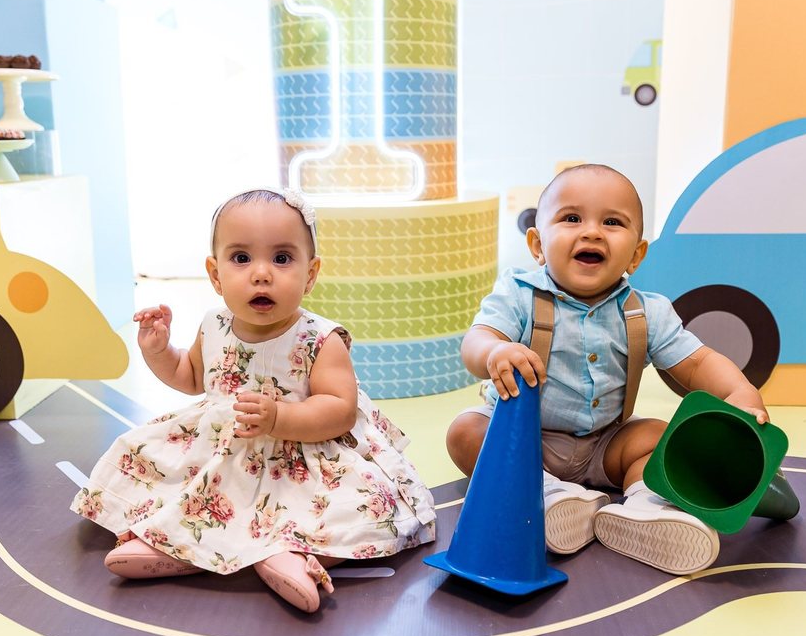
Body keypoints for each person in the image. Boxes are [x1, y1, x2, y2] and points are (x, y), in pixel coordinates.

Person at [72, 189, 436, 612]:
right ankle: (170, 542)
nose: (261, 274)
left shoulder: (320, 338)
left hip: (303, 457)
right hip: (226, 451)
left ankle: (293, 555)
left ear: (311, 273)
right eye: (241, 258)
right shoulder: (214, 324)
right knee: (168, 472)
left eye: (282, 258)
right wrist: (158, 351)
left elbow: (340, 409)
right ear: (215, 274)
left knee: (351, 510)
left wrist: (280, 416)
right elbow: (191, 377)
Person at [446, 164, 768, 575]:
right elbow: (476, 340)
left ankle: (644, 507)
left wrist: (738, 393)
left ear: (636, 254)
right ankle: (545, 495)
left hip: (606, 442)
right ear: (538, 244)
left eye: (612, 222)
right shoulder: (518, 293)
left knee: (657, 437)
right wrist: (494, 350)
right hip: (523, 439)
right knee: (466, 432)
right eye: (571, 218)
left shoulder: (648, 311)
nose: (592, 232)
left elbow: (698, 363)